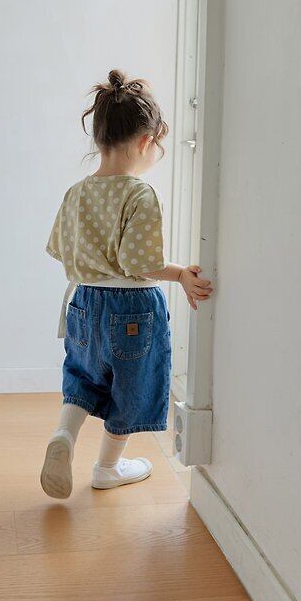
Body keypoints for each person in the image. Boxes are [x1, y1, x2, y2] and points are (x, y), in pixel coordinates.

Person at [41, 69, 213, 499]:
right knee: (131, 388)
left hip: (83, 301)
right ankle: (107, 468)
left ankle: (63, 436)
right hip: (132, 309)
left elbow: (59, 249)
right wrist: (180, 274)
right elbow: (141, 263)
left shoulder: (77, 192)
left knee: (83, 377)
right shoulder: (139, 194)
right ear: (145, 142)